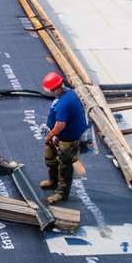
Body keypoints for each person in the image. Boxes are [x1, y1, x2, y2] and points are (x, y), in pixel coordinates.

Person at [41, 71, 89, 205]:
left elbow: (61, 124)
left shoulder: (65, 103)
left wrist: (50, 135)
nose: (49, 92)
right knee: (50, 158)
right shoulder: (66, 94)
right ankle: (53, 181)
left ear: (55, 88)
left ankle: (62, 193)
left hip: (67, 139)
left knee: (64, 167)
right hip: (59, 136)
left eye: (50, 90)